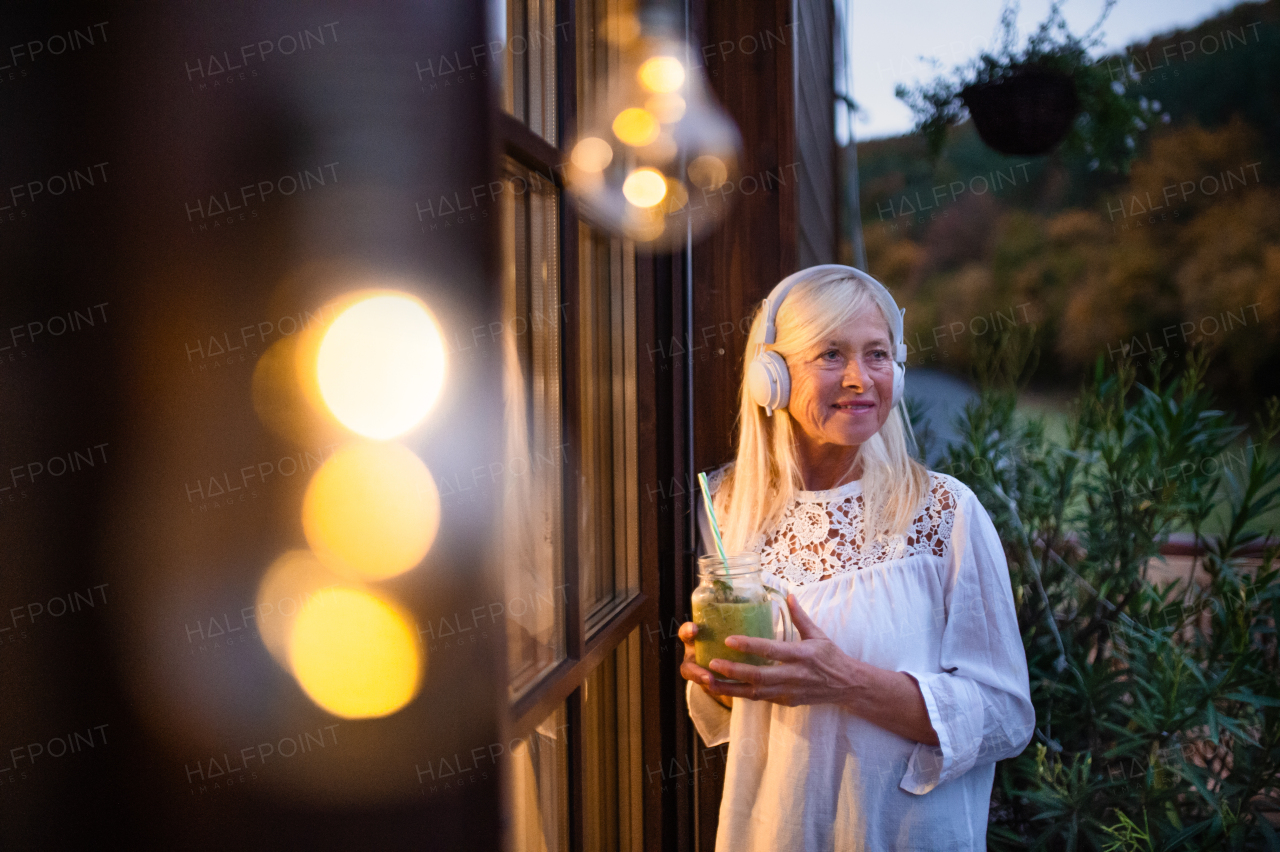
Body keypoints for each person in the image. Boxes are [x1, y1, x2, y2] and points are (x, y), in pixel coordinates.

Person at [678, 264, 1034, 851]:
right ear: (772, 376)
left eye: (876, 354)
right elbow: (732, 722)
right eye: (830, 355)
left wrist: (844, 681)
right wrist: (718, 679)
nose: (859, 379)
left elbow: (1004, 715)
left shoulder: (945, 511)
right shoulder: (724, 508)